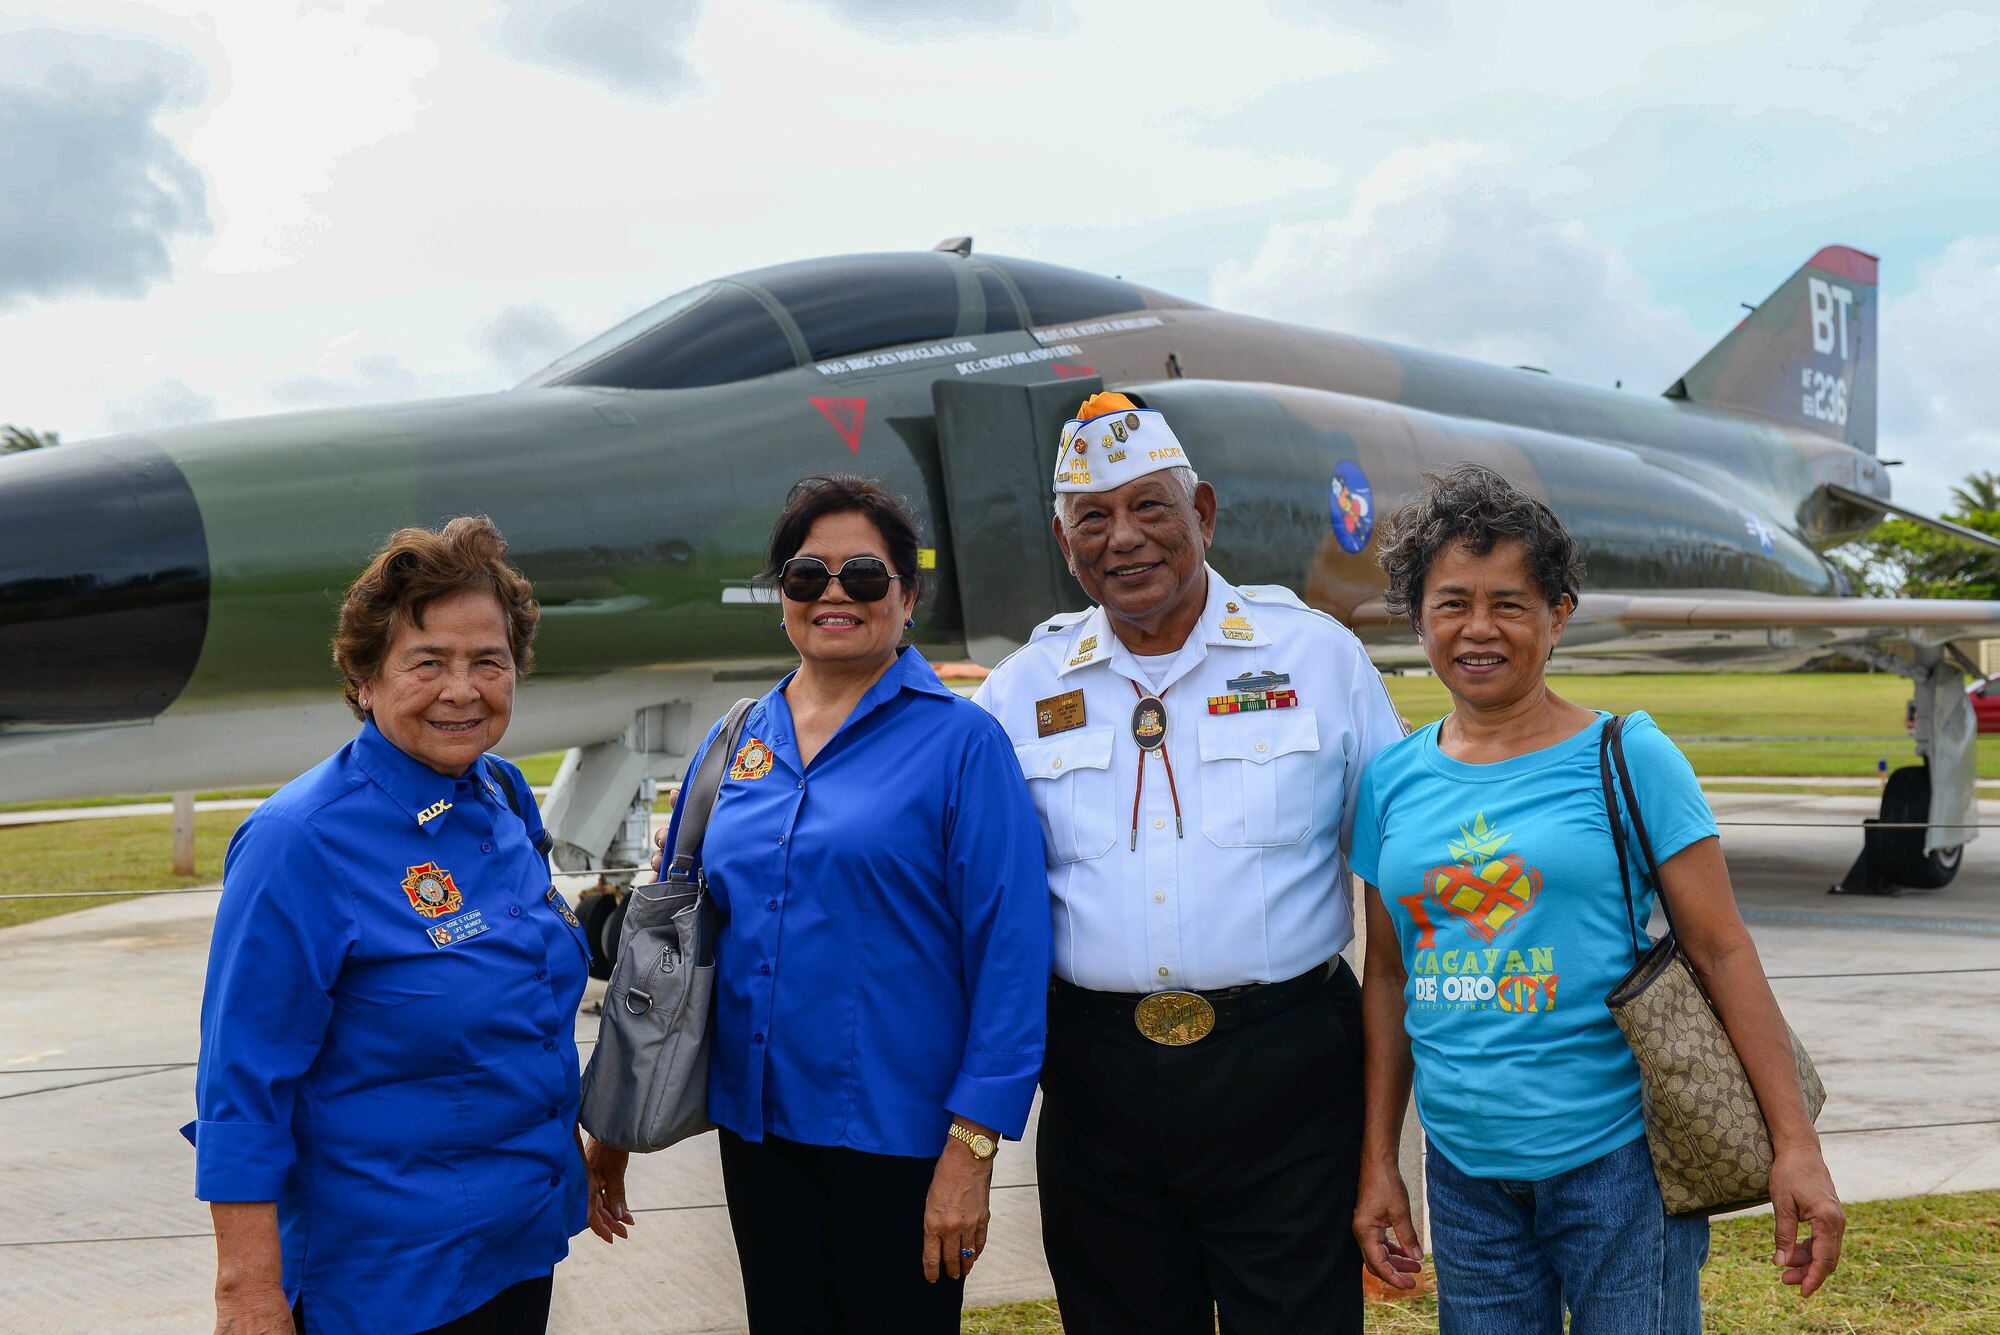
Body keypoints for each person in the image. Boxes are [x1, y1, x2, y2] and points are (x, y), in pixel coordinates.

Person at [1348, 463, 1845, 1333]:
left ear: (1558, 615)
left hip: (1619, 1165)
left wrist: (1796, 1145)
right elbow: (1387, 978)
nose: (1478, 629)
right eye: (1451, 602)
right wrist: (1380, 1161)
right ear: (1418, 616)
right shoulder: (1390, 779)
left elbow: (1723, 949)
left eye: (1509, 603)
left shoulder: (1631, 754)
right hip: (1463, 1172)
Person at [971, 393, 1404, 1334]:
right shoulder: (1020, 690)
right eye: (1094, 517)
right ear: (1063, 536)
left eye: (1150, 507)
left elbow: (1401, 894)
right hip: (1097, 1089)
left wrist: (1383, 1146)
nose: (1123, 538)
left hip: (1287, 1080)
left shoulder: (1319, 659)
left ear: (1202, 512)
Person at [591, 475, 1050, 1333]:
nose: (834, 594)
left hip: (903, 1142)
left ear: (906, 598)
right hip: (760, 1136)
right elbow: (672, 936)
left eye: (866, 576)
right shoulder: (735, 741)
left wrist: (973, 1145)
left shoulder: (962, 744)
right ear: (783, 599)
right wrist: (618, 1118)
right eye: (807, 576)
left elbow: (1012, 956)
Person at [185, 516, 588, 1335]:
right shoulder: (300, 840)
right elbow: (242, 1082)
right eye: (428, 662)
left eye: (489, 661)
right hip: (384, 1281)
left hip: (516, 1247)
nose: (462, 689)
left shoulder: (500, 794)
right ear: (365, 676)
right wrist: (248, 1293)